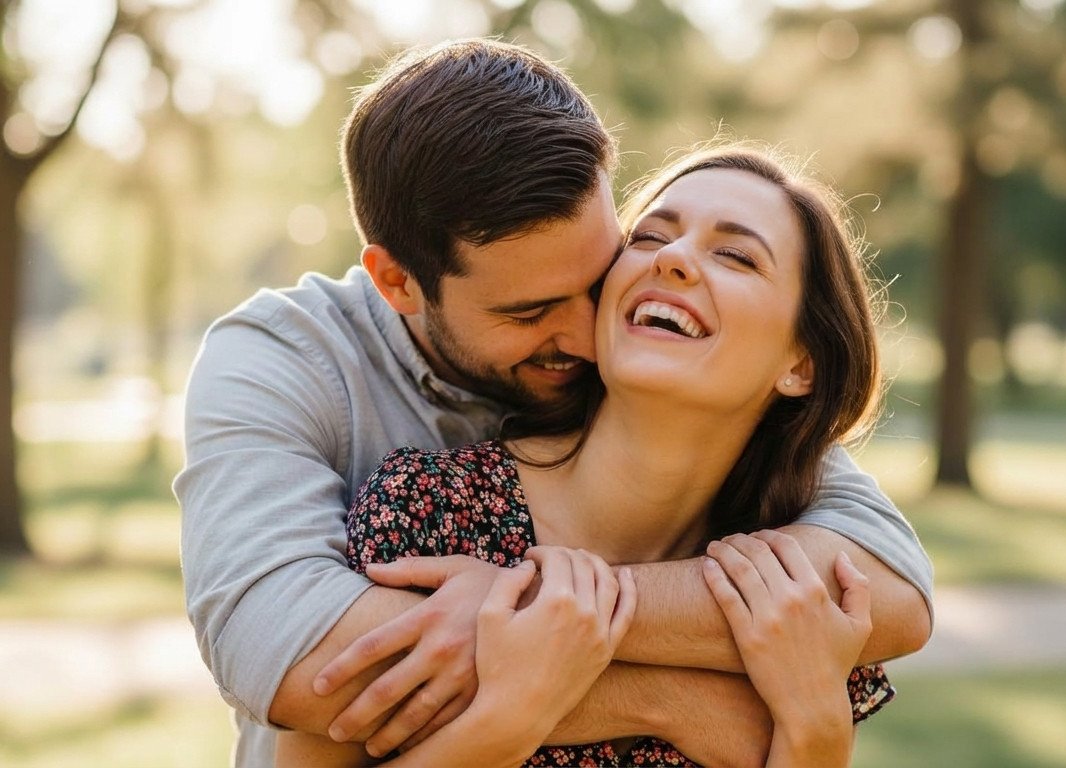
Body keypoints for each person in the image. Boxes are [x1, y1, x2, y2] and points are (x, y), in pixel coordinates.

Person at [175, 39, 933, 768]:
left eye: (598, 273)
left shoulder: (708, 418)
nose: (582, 332)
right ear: (399, 283)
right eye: (530, 310)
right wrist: (664, 698)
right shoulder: (297, 375)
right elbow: (289, 656)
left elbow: (888, 597)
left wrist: (536, 609)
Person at [276, 143, 891, 766]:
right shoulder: (430, 513)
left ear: (802, 363)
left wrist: (817, 728)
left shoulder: (789, 602)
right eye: (649, 237)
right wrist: (509, 716)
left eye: (735, 255)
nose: (674, 258)